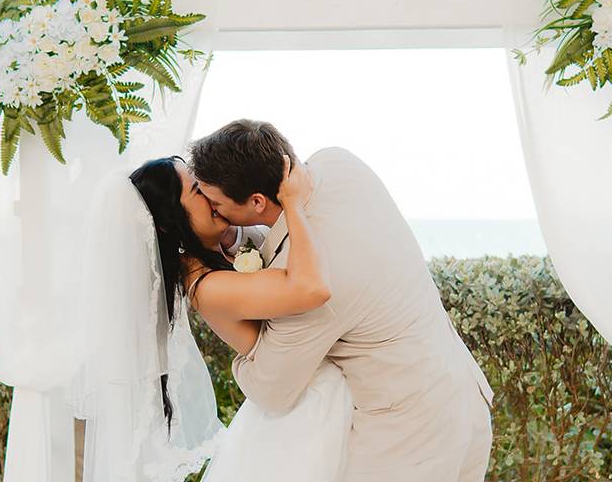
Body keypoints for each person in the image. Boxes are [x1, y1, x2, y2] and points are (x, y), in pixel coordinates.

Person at [188, 119, 496, 482]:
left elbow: (272, 390)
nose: (214, 210)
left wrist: (231, 331)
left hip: (408, 442)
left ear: (256, 201)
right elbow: (292, 227)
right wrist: (235, 238)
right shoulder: (339, 165)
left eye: (217, 203)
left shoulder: (307, 282)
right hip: (466, 400)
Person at [128, 153, 353, 480]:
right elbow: (310, 288)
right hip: (305, 410)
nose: (212, 195)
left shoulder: (212, 257)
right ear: (169, 221)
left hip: (312, 392)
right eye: (198, 192)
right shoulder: (206, 287)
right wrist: (293, 204)